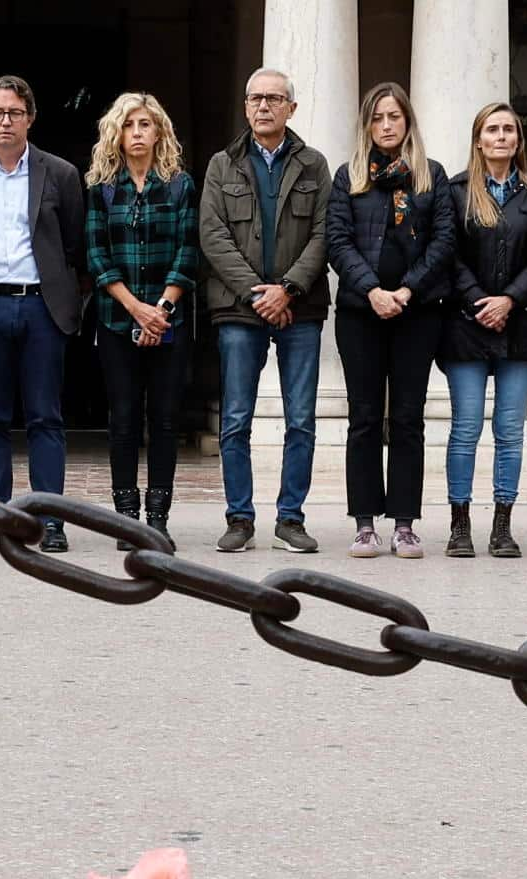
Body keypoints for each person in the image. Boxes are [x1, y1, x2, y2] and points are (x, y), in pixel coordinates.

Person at [0, 75, 86, 552]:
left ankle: (50, 520)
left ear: (31, 118)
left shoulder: (60, 173)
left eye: (15, 113)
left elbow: (72, 243)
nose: (6, 121)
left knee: (46, 416)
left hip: (43, 305)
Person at [198, 69, 331, 554]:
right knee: (235, 418)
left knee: (301, 419)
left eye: (274, 99)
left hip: (301, 307)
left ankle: (291, 519)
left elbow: (323, 233)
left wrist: (289, 289)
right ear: (245, 105)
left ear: (291, 108)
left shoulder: (314, 165)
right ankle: (239, 518)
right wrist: (258, 291)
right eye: (255, 98)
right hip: (239, 308)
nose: (264, 107)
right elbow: (212, 235)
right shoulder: (221, 165)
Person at [323, 83, 452, 560]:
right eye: (378, 118)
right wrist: (373, 291)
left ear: (408, 122)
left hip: (417, 313)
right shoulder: (349, 176)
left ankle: (404, 523)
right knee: (363, 418)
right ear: (367, 125)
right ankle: (363, 525)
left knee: (407, 419)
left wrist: (406, 290)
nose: (386, 125)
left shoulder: (430, 177)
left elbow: (443, 242)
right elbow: (337, 241)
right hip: (361, 313)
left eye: (394, 117)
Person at [437, 102, 527, 559]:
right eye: (493, 129)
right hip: (466, 327)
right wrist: (480, 300)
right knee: (465, 427)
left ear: (518, 141)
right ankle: (459, 524)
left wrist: (509, 300)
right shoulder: (456, 192)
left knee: (508, 428)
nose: (502, 136)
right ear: (478, 140)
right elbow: (449, 254)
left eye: (509, 130)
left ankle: (502, 525)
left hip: (519, 327)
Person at [83, 92, 199, 537]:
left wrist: (161, 310)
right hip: (117, 319)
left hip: (170, 318)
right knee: (124, 417)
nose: (137, 133)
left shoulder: (179, 185)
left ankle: (158, 519)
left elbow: (188, 251)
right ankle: (126, 519)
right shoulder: (101, 186)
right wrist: (137, 311)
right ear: (116, 132)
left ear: (158, 132)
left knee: (166, 419)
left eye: (145, 125)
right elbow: (97, 256)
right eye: (129, 125)